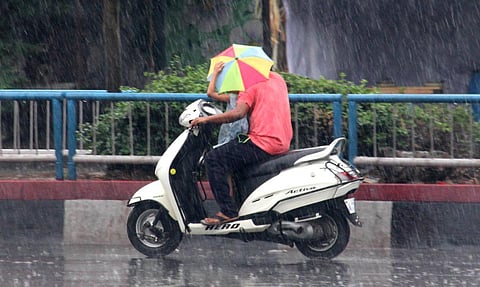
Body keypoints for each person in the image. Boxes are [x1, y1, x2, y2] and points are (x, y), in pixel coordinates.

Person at [190, 63, 293, 225]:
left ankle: (228, 212)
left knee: (213, 159)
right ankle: (241, 205)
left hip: (262, 141)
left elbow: (237, 113)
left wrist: (206, 119)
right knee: (234, 158)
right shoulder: (278, 79)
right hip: (282, 140)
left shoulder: (250, 86)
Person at [207, 62, 248, 147]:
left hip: (232, 139)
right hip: (238, 138)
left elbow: (210, 93)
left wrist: (215, 73)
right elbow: (210, 93)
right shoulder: (236, 97)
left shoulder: (234, 98)